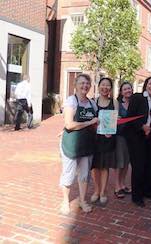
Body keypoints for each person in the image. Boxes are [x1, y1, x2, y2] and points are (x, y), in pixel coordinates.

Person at [59, 74, 98, 214]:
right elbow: (69, 125)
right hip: (71, 144)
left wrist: (106, 125)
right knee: (68, 173)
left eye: (87, 83)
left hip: (87, 145)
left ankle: (82, 200)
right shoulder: (71, 101)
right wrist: (89, 123)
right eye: (82, 83)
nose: (85, 86)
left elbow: (95, 125)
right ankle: (65, 201)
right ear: (75, 85)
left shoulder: (92, 103)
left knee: (84, 174)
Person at [126, 76, 151, 207]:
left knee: (150, 165)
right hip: (137, 136)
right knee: (138, 166)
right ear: (146, 85)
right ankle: (137, 196)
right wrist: (142, 126)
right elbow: (130, 117)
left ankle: (147, 191)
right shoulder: (137, 98)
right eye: (150, 83)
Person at [90, 77, 117, 205]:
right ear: (99, 86)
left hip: (108, 138)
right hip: (95, 139)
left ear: (110, 89)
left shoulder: (114, 102)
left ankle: (103, 192)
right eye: (103, 85)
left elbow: (116, 120)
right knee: (94, 166)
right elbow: (89, 120)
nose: (105, 88)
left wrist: (112, 128)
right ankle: (96, 190)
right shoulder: (93, 102)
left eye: (108, 86)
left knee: (105, 166)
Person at [114, 81, 133, 198]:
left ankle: (122, 184)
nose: (127, 91)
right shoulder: (118, 104)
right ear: (121, 92)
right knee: (119, 162)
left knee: (126, 162)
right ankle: (117, 186)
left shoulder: (134, 103)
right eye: (125, 89)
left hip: (131, 137)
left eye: (129, 88)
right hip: (120, 136)